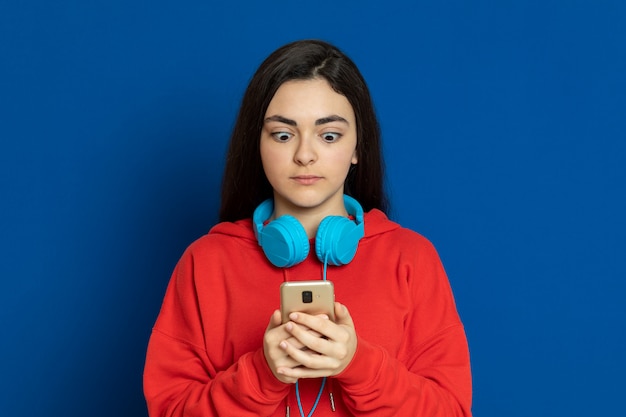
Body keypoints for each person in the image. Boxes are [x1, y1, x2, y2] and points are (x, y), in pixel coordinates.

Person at [143, 39, 472, 417]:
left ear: (356, 148)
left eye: (328, 135)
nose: (304, 154)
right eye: (283, 135)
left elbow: (452, 411)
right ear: (258, 145)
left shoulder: (411, 258)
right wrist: (262, 373)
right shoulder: (206, 262)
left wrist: (359, 365)